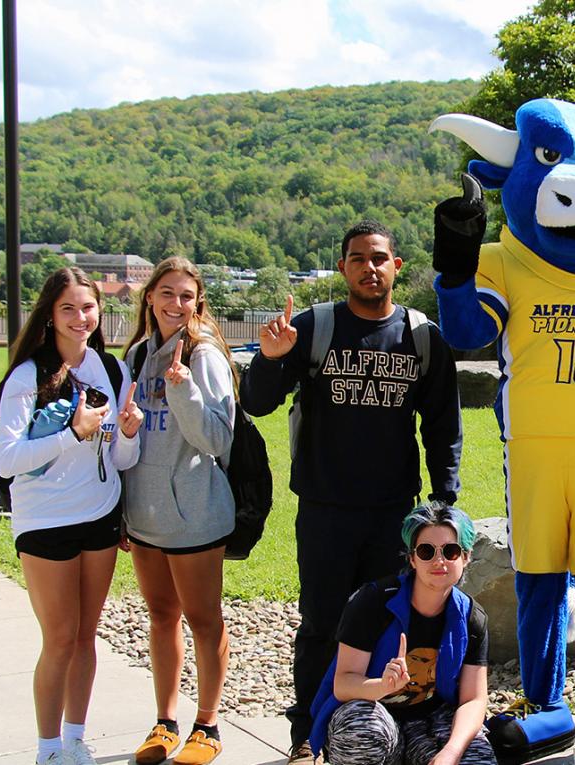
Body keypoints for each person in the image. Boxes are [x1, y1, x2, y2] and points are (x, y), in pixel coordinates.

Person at [239, 220, 463, 763]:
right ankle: (307, 735)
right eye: (358, 259)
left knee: (386, 622)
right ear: (342, 267)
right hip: (326, 508)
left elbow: (443, 425)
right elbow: (257, 403)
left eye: (379, 258)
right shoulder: (315, 327)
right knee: (321, 623)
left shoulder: (421, 337)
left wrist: (445, 497)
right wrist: (271, 359)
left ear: (396, 266)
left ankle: (378, 731)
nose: (369, 267)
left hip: (394, 511)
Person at [0, 267, 143, 765]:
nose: (81, 317)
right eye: (68, 308)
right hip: (46, 522)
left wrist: (128, 432)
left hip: (98, 516)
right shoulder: (28, 376)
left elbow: (120, 460)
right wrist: (72, 433)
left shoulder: (110, 371)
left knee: (84, 637)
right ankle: (48, 749)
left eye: (88, 307)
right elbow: (6, 460)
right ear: (50, 315)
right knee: (58, 639)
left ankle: (76, 740)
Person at [122, 257, 239, 765]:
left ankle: (207, 725)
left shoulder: (204, 355)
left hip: (193, 515)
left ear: (198, 303)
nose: (175, 303)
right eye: (166, 293)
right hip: (145, 514)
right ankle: (165, 721)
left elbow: (217, 439)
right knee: (161, 616)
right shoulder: (137, 354)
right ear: (150, 297)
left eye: (186, 295)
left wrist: (183, 390)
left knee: (203, 619)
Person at [307, 503, 495, 765]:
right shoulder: (372, 603)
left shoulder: (471, 618)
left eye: (450, 551)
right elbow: (343, 683)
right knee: (361, 731)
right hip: (375, 713)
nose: (439, 561)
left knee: (475, 759)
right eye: (426, 551)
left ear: (465, 557)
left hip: (431, 721)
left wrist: (451, 752)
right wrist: (383, 686)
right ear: (412, 559)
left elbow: (473, 699)